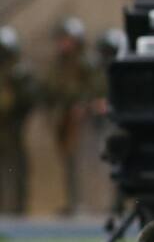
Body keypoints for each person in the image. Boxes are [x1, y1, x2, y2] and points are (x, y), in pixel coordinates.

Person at [43, 16, 97, 216]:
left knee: (83, 161)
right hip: (64, 118)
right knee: (69, 161)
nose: (62, 44)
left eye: (66, 39)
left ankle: (84, 202)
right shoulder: (59, 65)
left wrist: (85, 105)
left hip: (84, 120)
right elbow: (50, 89)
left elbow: (96, 89)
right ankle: (72, 201)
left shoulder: (86, 64)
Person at [0, 25, 36, 214]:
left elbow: (28, 98)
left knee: (16, 169)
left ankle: (18, 209)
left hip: (12, 128)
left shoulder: (19, 72)